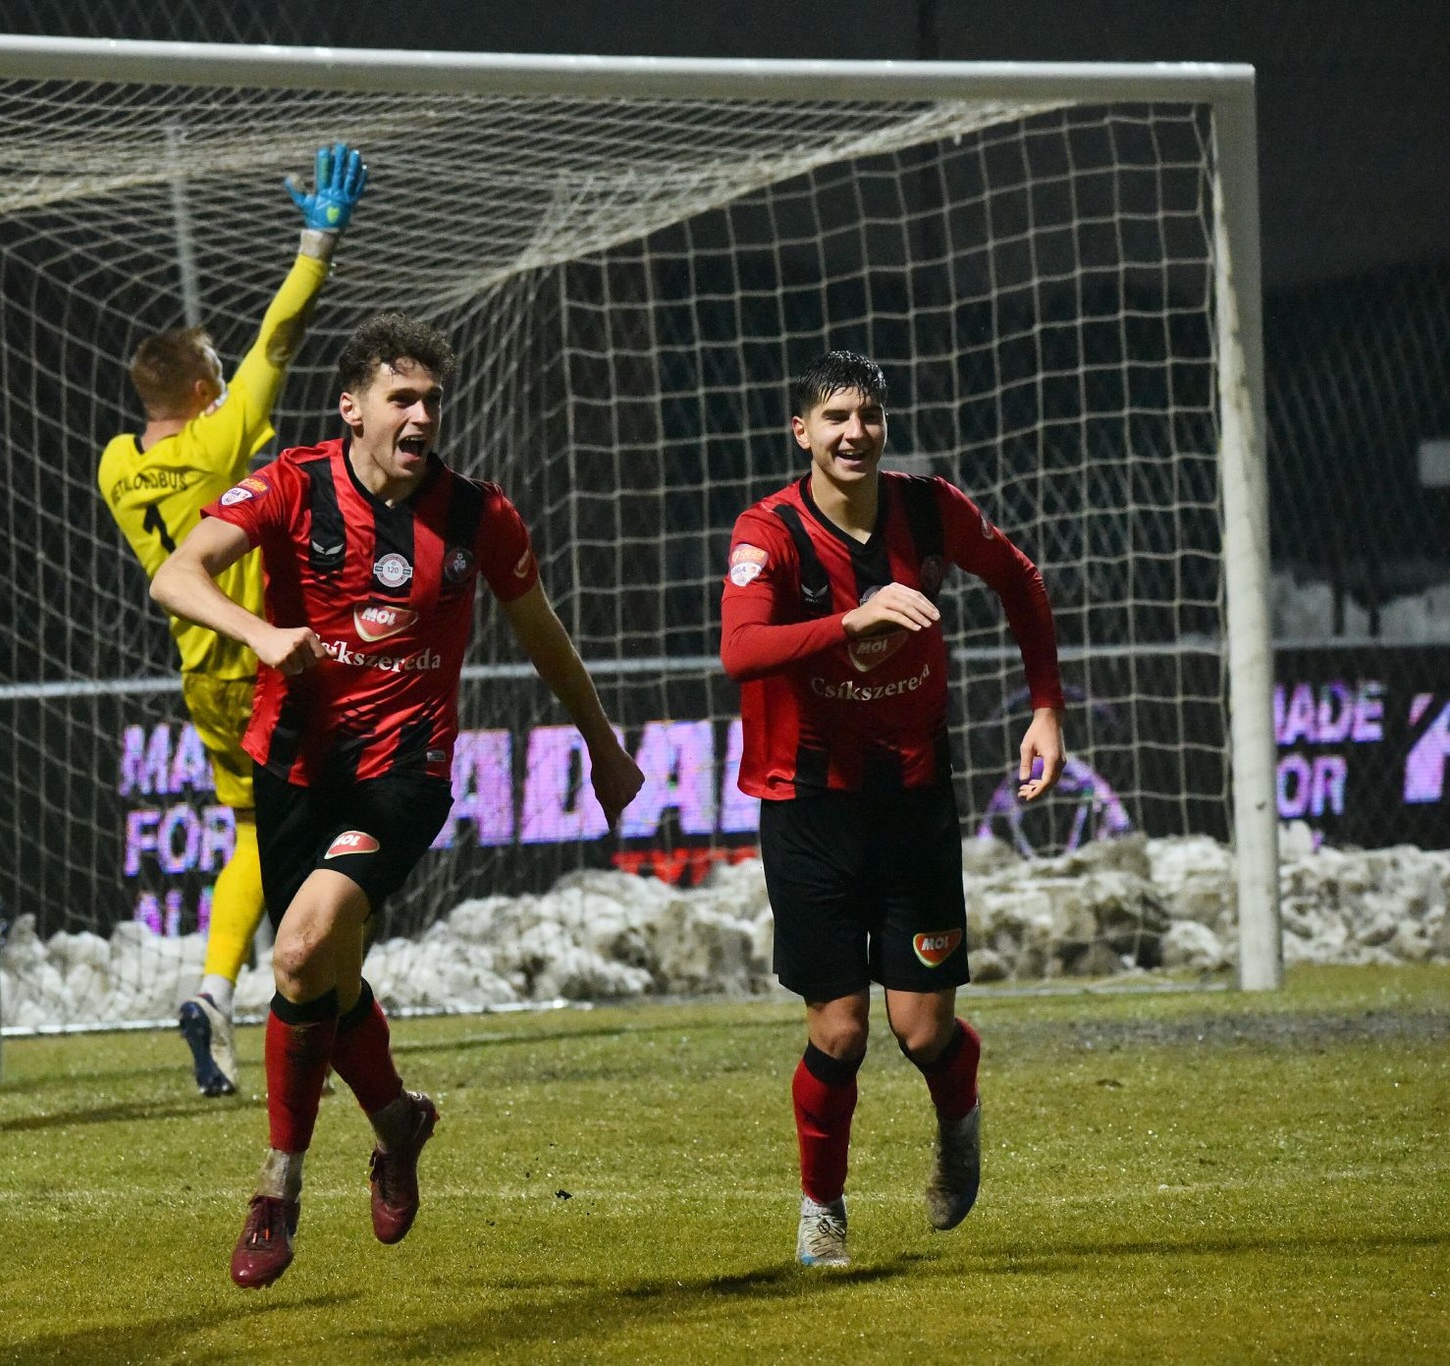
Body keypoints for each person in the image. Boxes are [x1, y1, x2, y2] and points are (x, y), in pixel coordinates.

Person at [150, 312, 645, 1289]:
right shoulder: (293, 484)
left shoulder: (476, 515)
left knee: (298, 951)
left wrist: (601, 742)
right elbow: (176, 574)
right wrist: (255, 633)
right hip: (293, 764)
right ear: (353, 409)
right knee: (319, 981)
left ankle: (277, 1188)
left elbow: (540, 630)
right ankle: (395, 1120)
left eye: (430, 401)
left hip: (403, 773)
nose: (420, 416)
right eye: (400, 399)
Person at [719, 350, 1065, 1268]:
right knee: (838, 1030)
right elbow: (742, 651)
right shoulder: (770, 532)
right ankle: (821, 1209)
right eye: (834, 417)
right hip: (809, 809)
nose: (854, 433)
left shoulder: (928, 509)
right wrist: (854, 622)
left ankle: (958, 1123)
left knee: (923, 1029)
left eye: (868, 416)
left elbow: (1021, 581)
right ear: (802, 433)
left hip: (912, 803)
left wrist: (1045, 709)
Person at [98, 143, 368, 1097]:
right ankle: (317, 1005)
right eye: (219, 373)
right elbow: (280, 338)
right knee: (332, 827)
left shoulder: (116, 465)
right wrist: (317, 241)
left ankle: (218, 989)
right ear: (207, 392)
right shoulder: (223, 434)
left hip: (198, 670)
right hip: (269, 659)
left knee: (254, 829)